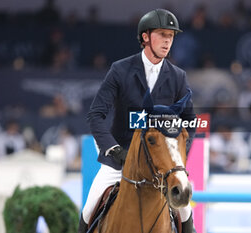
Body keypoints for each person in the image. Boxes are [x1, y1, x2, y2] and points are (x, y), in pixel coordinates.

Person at [79, 9, 197, 233]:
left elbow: (189, 121)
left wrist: (176, 157)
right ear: (145, 37)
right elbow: (95, 115)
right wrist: (113, 149)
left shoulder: (177, 76)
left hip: (162, 165)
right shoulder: (120, 70)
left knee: (185, 212)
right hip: (121, 162)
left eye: (171, 36)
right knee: (88, 210)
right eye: (162, 34)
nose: (167, 41)